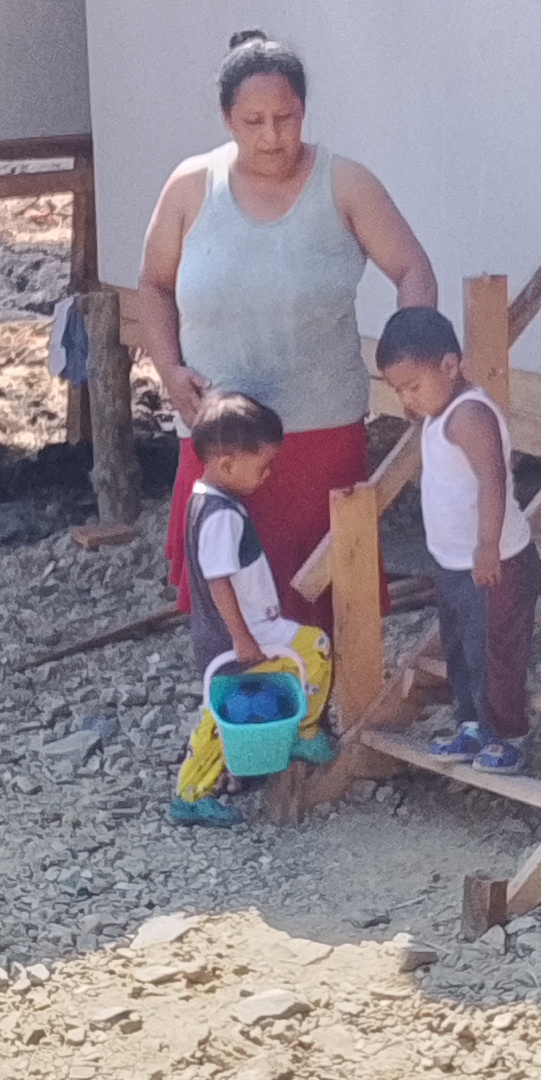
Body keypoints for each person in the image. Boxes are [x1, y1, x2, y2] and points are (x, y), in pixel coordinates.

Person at [137, 31, 438, 638]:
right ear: (227, 118)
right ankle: (241, 702)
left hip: (320, 436)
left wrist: (412, 368)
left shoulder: (345, 184)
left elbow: (413, 269)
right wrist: (168, 369)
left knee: (326, 609)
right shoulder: (191, 187)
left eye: (286, 117)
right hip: (219, 440)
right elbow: (153, 284)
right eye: (253, 121)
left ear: (304, 110)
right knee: (229, 606)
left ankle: (335, 701)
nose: (272, 135)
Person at [375, 306, 540, 772]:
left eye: (413, 387)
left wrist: (488, 545)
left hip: (495, 561)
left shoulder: (469, 415)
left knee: (495, 651)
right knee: (462, 647)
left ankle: (506, 735)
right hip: (453, 563)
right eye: (399, 390)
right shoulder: (438, 413)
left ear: (450, 366)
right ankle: (471, 725)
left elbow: (493, 479)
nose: (408, 399)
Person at [172, 392, 332, 826]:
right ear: (227, 465)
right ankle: (303, 730)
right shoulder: (221, 515)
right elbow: (218, 579)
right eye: (263, 466)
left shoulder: (203, 498)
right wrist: (242, 637)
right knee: (315, 647)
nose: (268, 474)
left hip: (231, 630)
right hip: (244, 631)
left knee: (220, 712)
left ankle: (193, 791)